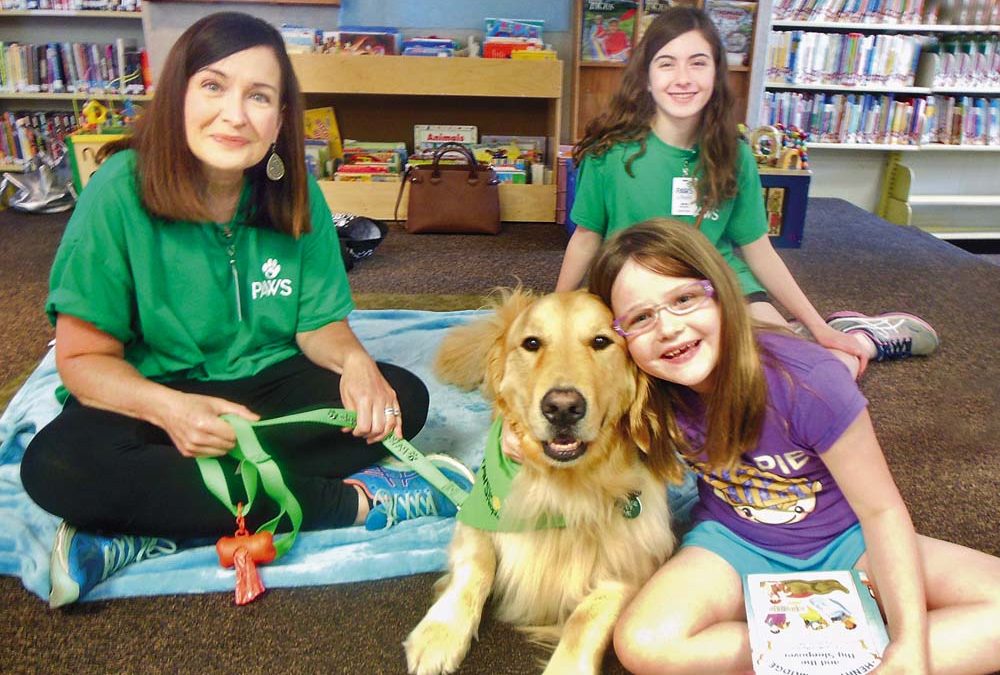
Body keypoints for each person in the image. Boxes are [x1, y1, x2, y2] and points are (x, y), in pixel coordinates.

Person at [20, 12, 472, 608]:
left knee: (400, 401)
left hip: (264, 390)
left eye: (258, 96)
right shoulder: (118, 189)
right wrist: (171, 410)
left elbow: (318, 325)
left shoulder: (296, 189)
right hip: (154, 396)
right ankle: (355, 503)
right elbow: (83, 360)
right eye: (213, 86)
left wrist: (357, 364)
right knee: (58, 466)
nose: (235, 115)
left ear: (280, 118)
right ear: (178, 94)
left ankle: (152, 519)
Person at [585, 218, 1000, 675]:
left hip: (847, 542)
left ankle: (860, 342)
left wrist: (910, 644)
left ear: (722, 293)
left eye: (684, 299)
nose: (667, 328)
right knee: (643, 644)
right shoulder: (645, 389)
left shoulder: (811, 382)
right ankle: (839, 652)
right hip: (734, 544)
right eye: (640, 318)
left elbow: (881, 511)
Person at [557, 6, 939, 379]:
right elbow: (586, 238)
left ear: (716, 73)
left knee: (810, 377)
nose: (683, 78)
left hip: (723, 286)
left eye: (698, 63)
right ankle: (786, 336)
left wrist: (819, 326)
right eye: (667, 63)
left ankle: (863, 338)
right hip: (642, 297)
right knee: (633, 383)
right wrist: (558, 308)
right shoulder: (608, 154)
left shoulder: (734, 155)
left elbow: (758, 249)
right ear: (645, 77)